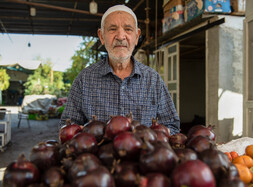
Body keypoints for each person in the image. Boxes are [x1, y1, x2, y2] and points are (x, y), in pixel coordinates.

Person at [59, 5, 180, 135]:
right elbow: (67, 128)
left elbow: (172, 126)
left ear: (137, 36)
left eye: (128, 29)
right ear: (101, 36)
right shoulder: (85, 79)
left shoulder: (153, 80)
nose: (121, 36)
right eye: (112, 29)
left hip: (144, 154)